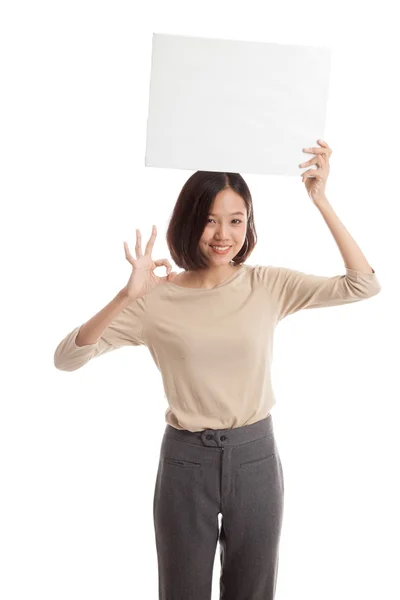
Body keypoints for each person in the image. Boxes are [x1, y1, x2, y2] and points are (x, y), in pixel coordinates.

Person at [54, 166, 381, 599]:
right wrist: (125, 297)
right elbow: (67, 358)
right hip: (186, 462)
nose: (223, 234)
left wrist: (320, 199)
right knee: (182, 592)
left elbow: (363, 284)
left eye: (236, 220)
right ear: (189, 220)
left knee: (253, 591)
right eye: (210, 219)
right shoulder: (154, 297)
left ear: (248, 224)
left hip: (255, 457)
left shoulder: (267, 284)